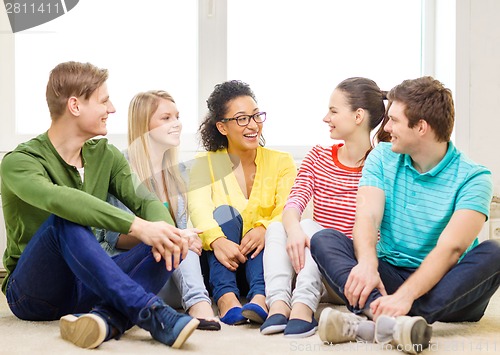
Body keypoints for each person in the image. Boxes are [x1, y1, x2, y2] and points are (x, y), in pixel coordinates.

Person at [0, 61, 200, 349]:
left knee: (168, 241)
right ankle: (149, 312)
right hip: (33, 293)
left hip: (91, 281)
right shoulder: (20, 162)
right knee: (65, 220)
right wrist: (139, 227)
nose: (113, 109)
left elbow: (145, 201)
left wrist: (167, 231)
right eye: (104, 101)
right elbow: (61, 199)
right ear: (75, 106)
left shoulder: (104, 155)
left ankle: (104, 321)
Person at [311, 76, 500, 354]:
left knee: (494, 251)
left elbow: (451, 249)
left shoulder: (475, 178)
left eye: (394, 121)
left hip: (449, 288)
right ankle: (391, 321)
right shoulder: (382, 157)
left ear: (421, 127)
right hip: (390, 274)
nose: (386, 128)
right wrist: (366, 263)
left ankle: (375, 321)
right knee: (324, 238)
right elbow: (367, 217)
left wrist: (406, 297)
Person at [261, 77, 388, 338]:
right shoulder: (318, 157)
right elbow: (294, 203)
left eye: (333, 111)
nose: (325, 118)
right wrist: (294, 230)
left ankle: (303, 309)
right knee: (278, 227)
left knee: (310, 228)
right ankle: (279, 305)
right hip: (315, 270)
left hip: (351, 274)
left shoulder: (382, 165)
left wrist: (304, 229)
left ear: (358, 116)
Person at [98, 90, 220, 330]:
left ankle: (198, 303)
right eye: (166, 118)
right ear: (144, 125)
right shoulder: (120, 167)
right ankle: (198, 305)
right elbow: (116, 238)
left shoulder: (179, 173)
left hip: (171, 275)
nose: (176, 124)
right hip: (132, 271)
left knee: (186, 236)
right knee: (178, 236)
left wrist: (180, 238)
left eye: (177, 117)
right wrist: (169, 237)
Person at [188, 80, 297, 325]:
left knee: (269, 228)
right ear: (222, 127)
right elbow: (198, 208)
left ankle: (260, 298)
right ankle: (226, 298)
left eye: (256, 116)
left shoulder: (282, 161)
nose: (253, 125)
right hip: (220, 264)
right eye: (242, 119)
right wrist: (217, 241)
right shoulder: (204, 163)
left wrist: (264, 228)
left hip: (264, 265)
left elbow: (289, 207)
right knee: (226, 212)